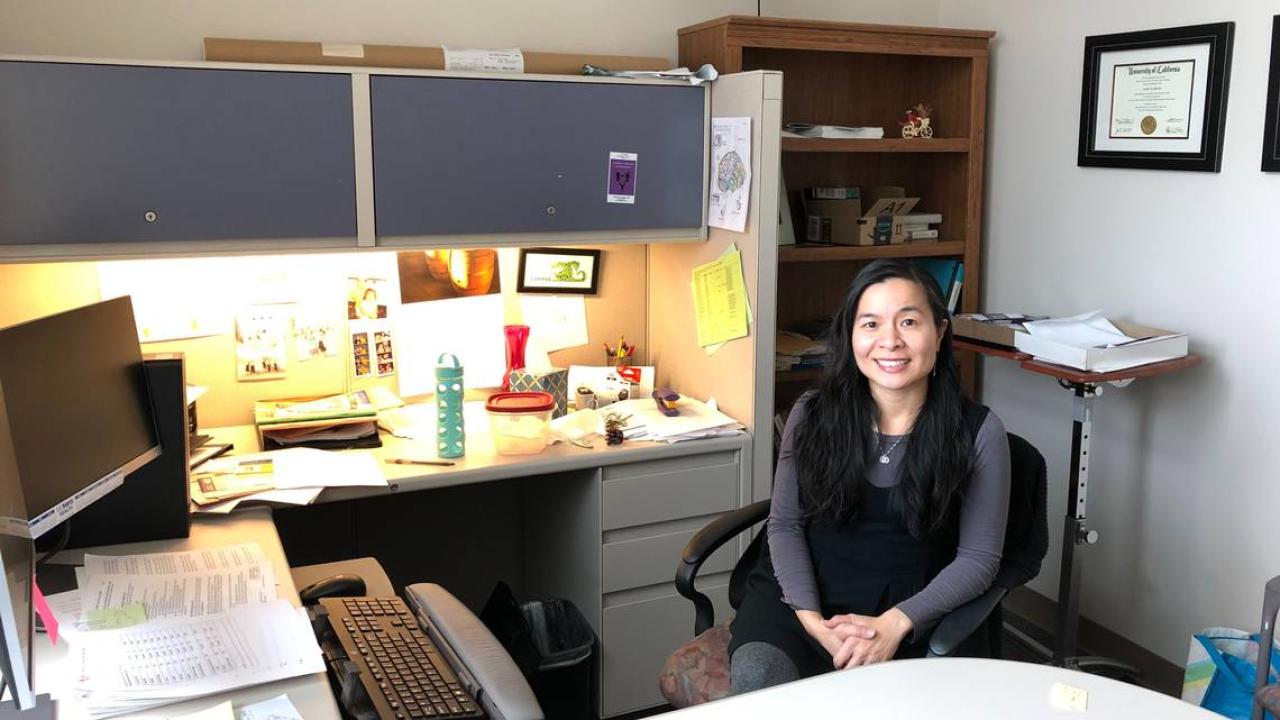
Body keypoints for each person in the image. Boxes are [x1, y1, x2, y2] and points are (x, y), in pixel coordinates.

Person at [728, 259, 1011, 693]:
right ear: (851, 336)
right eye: (871, 323)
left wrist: (894, 625)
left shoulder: (977, 431)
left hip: (906, 613)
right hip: (799, 602)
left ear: (939, 332)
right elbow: (785, 525)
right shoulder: (811, 414)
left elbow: (979, 560)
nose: (890, 341)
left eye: (909, 321)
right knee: (759, 681)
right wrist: (812, 620)